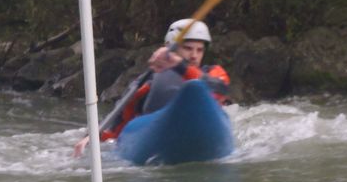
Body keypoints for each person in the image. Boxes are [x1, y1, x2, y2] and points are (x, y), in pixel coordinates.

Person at [73, 19, 230, 157]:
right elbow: (118, 120)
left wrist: (180, 66)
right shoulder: (148, 81)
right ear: (170, 48)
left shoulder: (214, 73)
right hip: (157, 130)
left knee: (195, 87)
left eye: (200, 50)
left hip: (204, 125)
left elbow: (220, 89)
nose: (194, 56)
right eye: (188, 48)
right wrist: (93, 138)